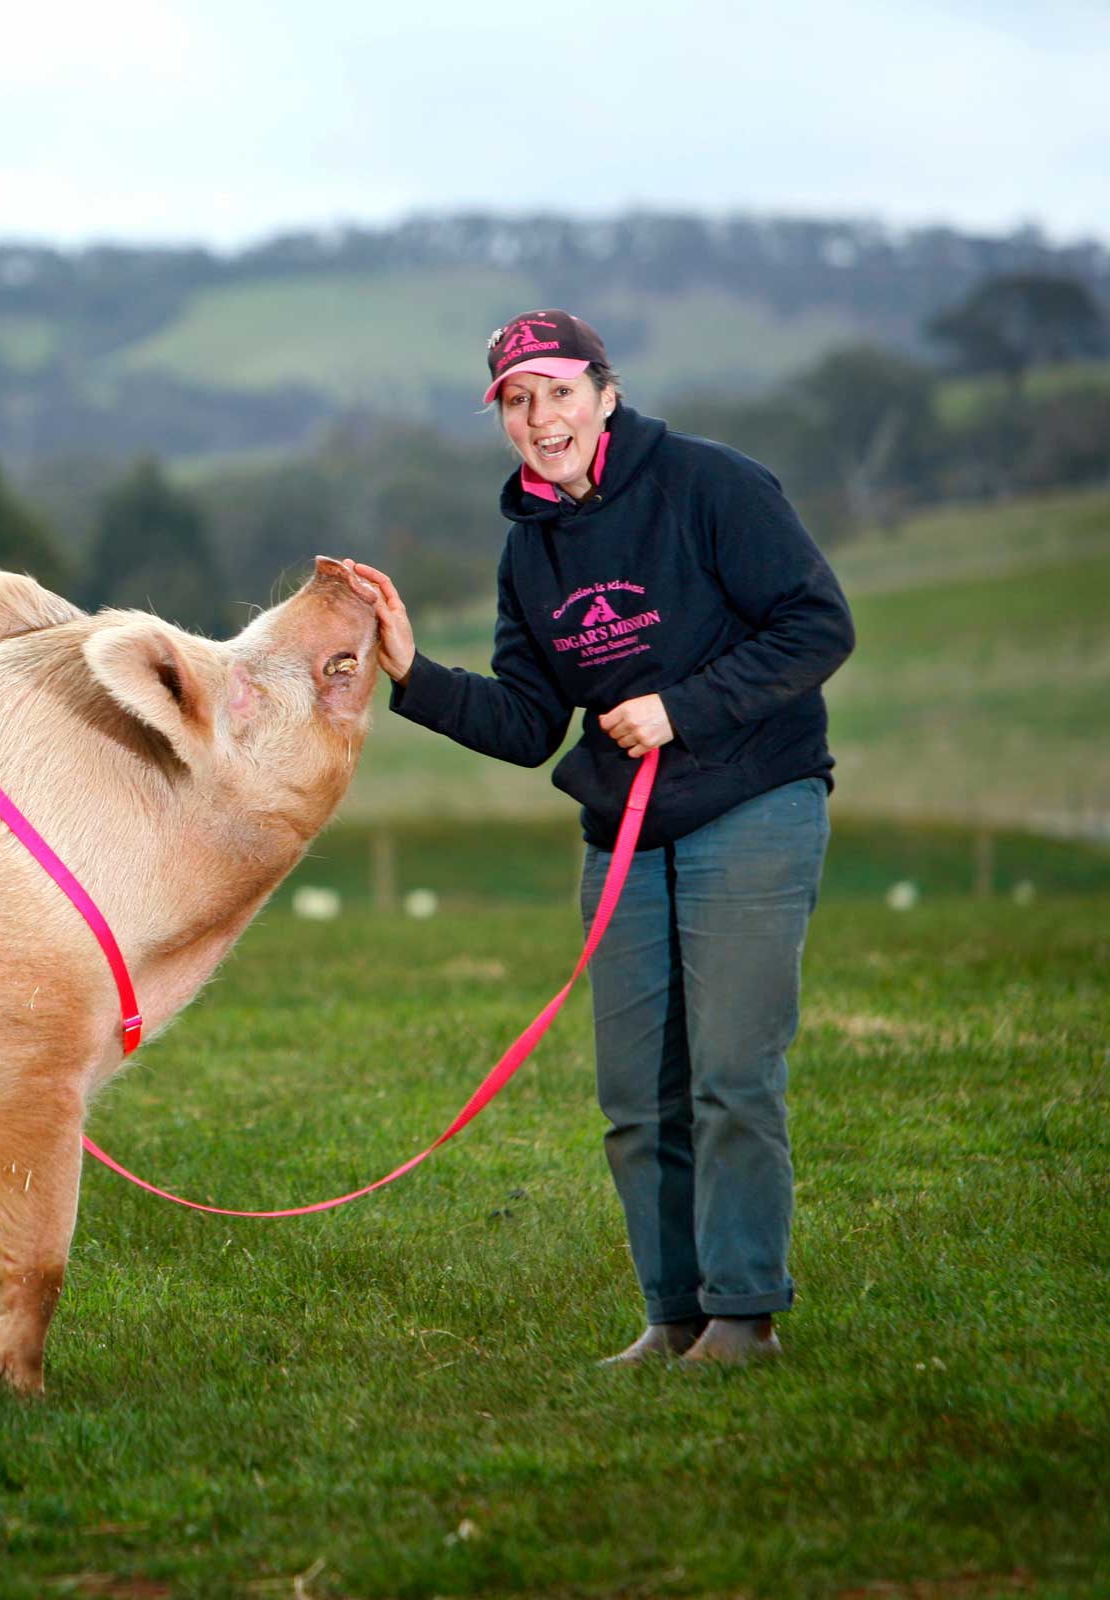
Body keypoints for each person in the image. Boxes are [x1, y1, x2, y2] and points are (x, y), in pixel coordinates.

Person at [345, 309, 854, 1365]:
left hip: (754, 798)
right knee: (635, 1096)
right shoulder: (529, 551)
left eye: (560, 391)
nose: (542, 417)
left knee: (731, 1076)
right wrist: (409, 668)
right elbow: (530, 724)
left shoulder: (714, 485)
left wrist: (682, 708)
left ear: (605, 393)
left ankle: (744, 1315)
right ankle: (673, 1318)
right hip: (626, 830)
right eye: (518, 401)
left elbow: (817, 625)